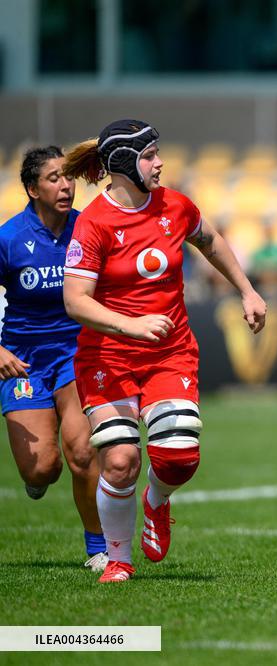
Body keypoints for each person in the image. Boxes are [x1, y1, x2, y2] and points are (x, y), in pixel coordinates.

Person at [61, 119, 267, 583]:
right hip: (106, 358)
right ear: (122, 164)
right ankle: (117, 560)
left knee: (179, 459)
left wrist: (247, 291)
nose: (160, 163)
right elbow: (75, 301)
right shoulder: (93, 223)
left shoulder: (176, 206)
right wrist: (130, 325)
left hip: (169, 353)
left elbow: (210, 241)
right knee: (119, 461)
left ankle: (156, 501)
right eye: (150, 155)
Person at [0, 146, 106, 571]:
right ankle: (38, 477)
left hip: (77, 354)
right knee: (42, 469)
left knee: (83, 452)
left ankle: (99, 548)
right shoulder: (9, 238)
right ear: (32, 189)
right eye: (53, 178)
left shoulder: (89, 229)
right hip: (23, 361)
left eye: (68, 177)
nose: (65, 185)